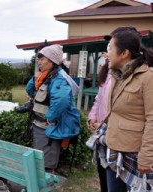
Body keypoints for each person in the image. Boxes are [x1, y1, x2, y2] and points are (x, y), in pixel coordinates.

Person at [104, 27, 153, 191]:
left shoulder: (148, 77)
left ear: (124, 53)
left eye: (110, 48)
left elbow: (152, 118)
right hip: (114, 148)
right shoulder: (117, 75)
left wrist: (147, 156)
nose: (107, 53)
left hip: (135, 154)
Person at [25, 44, 80, 173]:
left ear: (52, 61)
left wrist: (50, 117)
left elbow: (61, 100)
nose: (38, 62)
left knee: (46, 164)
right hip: (40, 125)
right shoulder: (46, 76)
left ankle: (45, 185)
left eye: (42, 59)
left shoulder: (59, 79)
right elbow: (29, 90)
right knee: (40, 160)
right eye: (38, 59)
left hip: (48, 127)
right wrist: (36, 77)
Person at [87, 53, 111, 192]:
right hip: (101, 135)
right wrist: (92, 117)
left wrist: (101, 123)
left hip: (113, 135)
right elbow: (98, 100)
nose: (107, 55)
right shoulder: (107, 74)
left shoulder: (124, 77)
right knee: (103, 174)